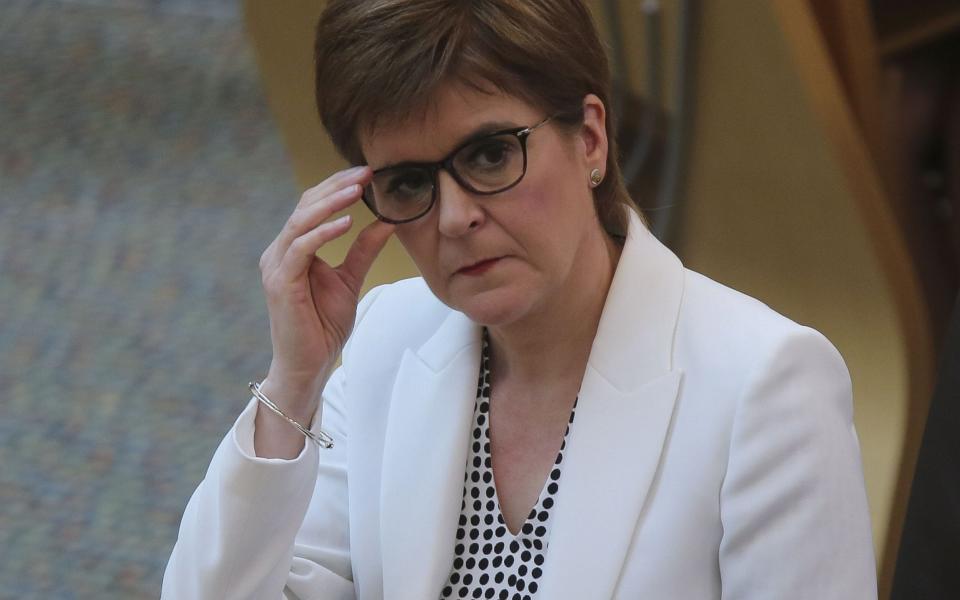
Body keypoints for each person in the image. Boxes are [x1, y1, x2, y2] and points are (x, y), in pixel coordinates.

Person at [162, 1, 877, 598]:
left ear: (590, 139)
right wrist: (295, 381)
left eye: (489, 155)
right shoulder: (387, 337)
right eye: (410, 183)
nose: (454, 218)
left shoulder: (765, 387)